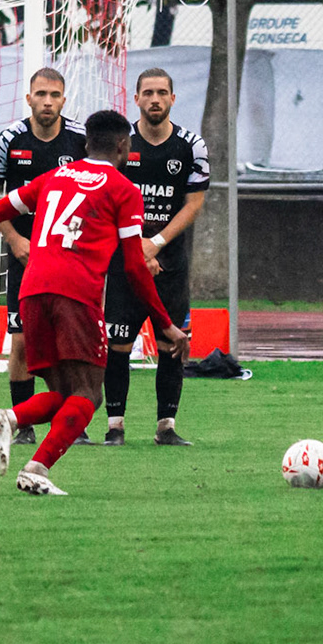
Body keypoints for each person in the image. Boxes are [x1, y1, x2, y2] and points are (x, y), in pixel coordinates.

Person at [0, 110, 189, 495]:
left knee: (65, 394)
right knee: (89, 394)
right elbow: (134, 266)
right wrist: (166, 323)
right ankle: (36, 469)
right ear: (124, 146)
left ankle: (9, 419)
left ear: (85, 143)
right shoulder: (124, 189)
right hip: (76, 295)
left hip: (32, 290)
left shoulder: (53, 177)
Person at [0, 68, 88, 446]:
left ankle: (74, 422)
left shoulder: (80, 140)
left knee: (71, 342)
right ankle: (22, 426)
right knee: (22, 341)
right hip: (25, 256)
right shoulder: (9, 139)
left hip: (69, 256)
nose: (47, 101)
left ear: (63, 100)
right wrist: (13, 239)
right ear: (29, 99)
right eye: (40, 94)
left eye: (54, 95)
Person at [102, 69, 208, 446]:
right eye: (148, 93)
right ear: (136, 99)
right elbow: (107, 202)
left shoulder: (191, 146)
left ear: (173, 99)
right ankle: (115, 426)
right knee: (118, 346)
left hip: (171, 267)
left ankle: (166, 427)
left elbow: (193, 204)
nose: (155, 99)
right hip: (124, 265)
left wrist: (156, 243)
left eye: (162, 92)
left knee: (171, 346)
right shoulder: (120, 146)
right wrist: (136, 250)